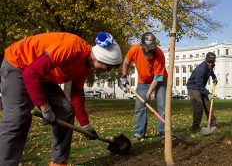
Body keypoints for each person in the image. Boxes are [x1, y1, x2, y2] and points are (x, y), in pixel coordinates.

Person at [0, 32, 122, 166]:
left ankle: (58, 162)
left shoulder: (86, 65)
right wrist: (45, 108)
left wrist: (85, 125)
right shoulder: (71, 48)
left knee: (65, 111)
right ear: (100, 59)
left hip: (42, 74)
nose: (108, 70)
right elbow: (31, 74)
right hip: (18, 64)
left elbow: (76, 92)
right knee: (17, 119)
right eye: (108, 67)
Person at [121, 32, 167, 142]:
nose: (151, 51)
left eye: (152, 48)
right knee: (140, 107)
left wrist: (148, 94)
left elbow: (157, 78)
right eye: (148, 48)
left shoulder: (159, 54)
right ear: (142, 45)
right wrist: (124, 76)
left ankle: (163, 133)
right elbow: (126, 62)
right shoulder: (135, 49)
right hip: (143, 82)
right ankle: (139, 133)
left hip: (160, 81)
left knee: (162, 107)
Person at [186, 52, 218, 133]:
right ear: (205, 60)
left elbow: (211, 71)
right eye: (209, 62)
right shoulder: (200, 70)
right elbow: (199, 86)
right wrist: (208, 94)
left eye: (212, 62)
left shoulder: (210, 66)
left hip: (200, 87)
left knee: (208, 105)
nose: (210, 64)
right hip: (193, 87)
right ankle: (195, 127)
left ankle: (212, 125)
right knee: (199, 106)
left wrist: (214, 77)